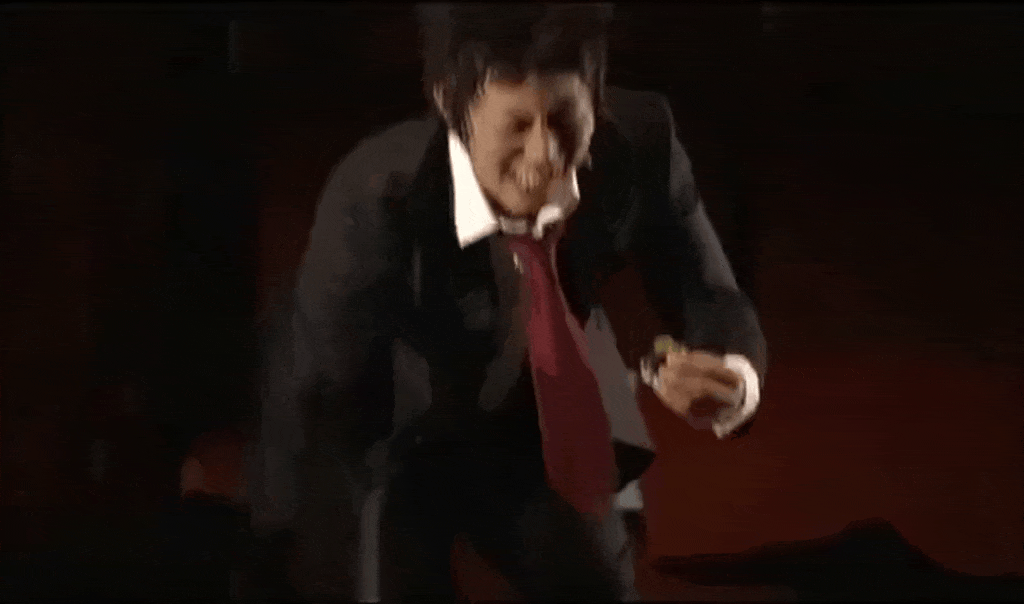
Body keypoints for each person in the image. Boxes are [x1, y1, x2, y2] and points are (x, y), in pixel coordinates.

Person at [248, 3, 766, 602]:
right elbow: (335, 415)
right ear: (452, 106)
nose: (545, 154)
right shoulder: (375, 196)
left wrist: (734, 380)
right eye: (516, 125)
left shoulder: (642, 141)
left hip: (537, 417)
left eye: (565, 119)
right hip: (390, 434)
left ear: (597, 98)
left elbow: (707, 292)